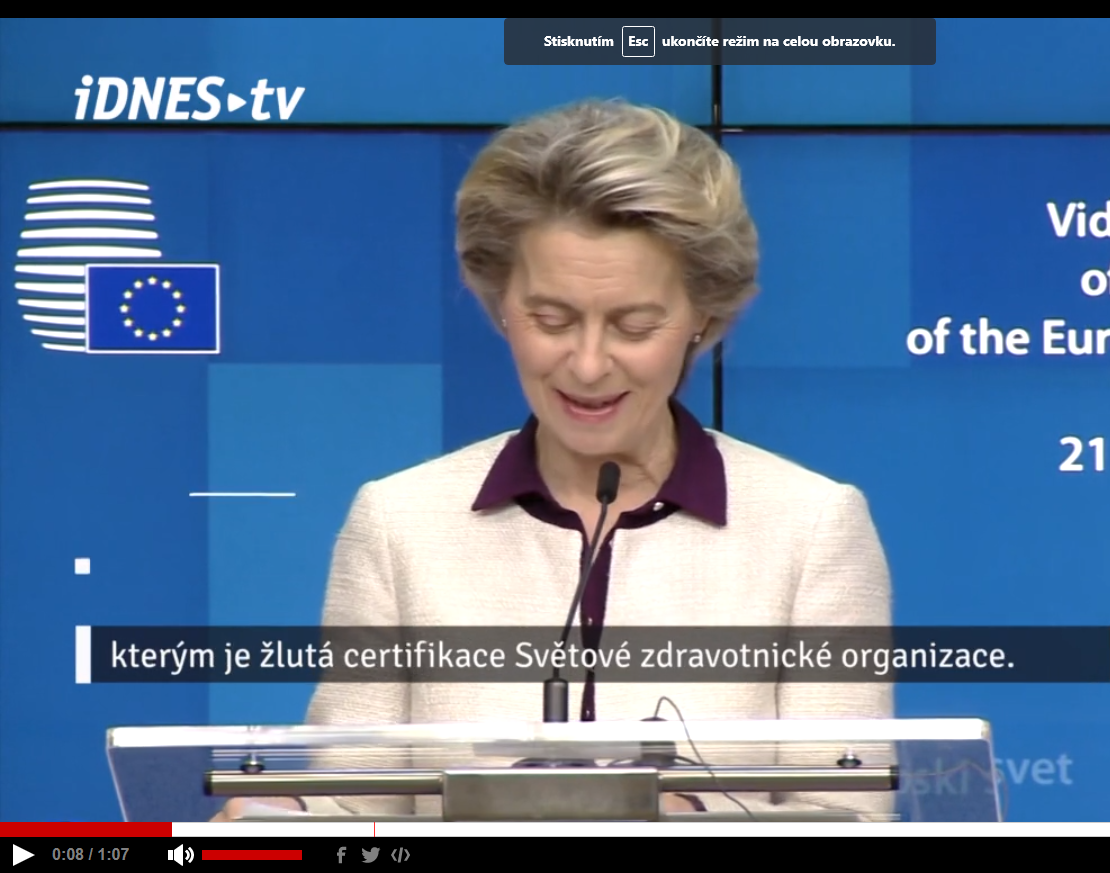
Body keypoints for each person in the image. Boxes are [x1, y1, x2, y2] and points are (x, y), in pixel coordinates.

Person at [212, 98, 894, 822]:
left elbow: (849, 820)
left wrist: (689, 822)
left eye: (634, 325)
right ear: (499, 304)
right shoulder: (399, 525)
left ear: (702, 316)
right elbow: (355, 809)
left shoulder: (812, 530)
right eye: (551, 319)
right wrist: (277, 828)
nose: (589, 365)